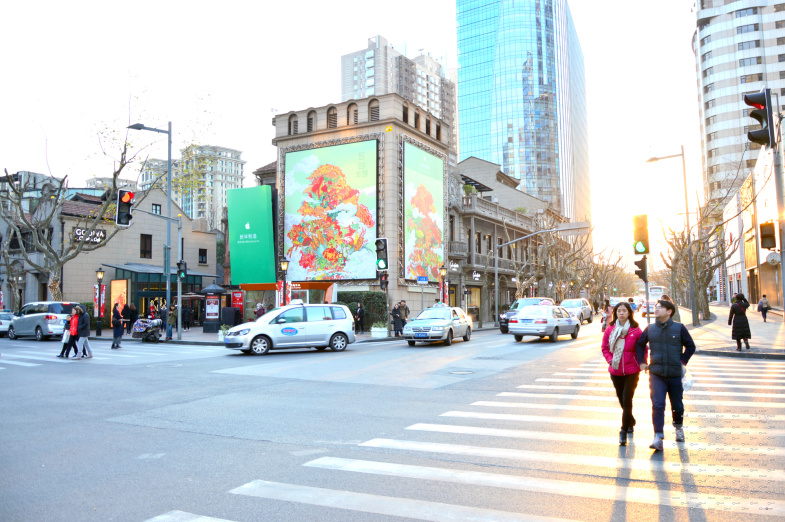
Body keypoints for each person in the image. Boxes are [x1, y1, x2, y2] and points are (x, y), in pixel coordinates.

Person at [636, 299, 696, 451]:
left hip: (675, 374)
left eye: (660, 307)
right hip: (656, 374)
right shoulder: (650, 328)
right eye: (656, 307)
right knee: (657, 404)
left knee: (677, 404)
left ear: (669, 311)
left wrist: (682, 361)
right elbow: (640, 344)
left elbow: (691, 346)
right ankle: (658, 436)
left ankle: (678, 427)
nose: (656, 309)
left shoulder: (679, 328)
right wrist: (642, 362)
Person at [601, 302, 643, 445]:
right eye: (619, 311)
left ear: (629, 313)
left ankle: (623, 430)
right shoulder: (610, 329)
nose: (621, 313)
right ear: (615, 313)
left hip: (632, 371)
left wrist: (641, 362)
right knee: (621, 399)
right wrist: (610, 360)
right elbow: (605, 348)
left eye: (624, 310)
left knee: (627, 400)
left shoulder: (636, 330)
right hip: (615, 370)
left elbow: (642, 348)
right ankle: (630, 420)